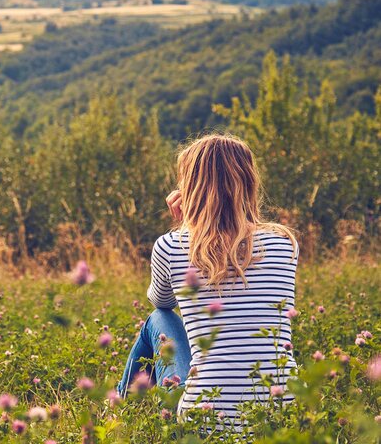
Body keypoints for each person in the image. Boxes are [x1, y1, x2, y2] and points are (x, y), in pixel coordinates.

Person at [117, 133, 299, 431]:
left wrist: (184, 225)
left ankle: (119, 415)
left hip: (204, 418)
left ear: (189, 189)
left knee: (156, 320)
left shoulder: (172, 245)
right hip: (284, 415)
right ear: (249, 182)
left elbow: (161, 302)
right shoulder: (285, 242)